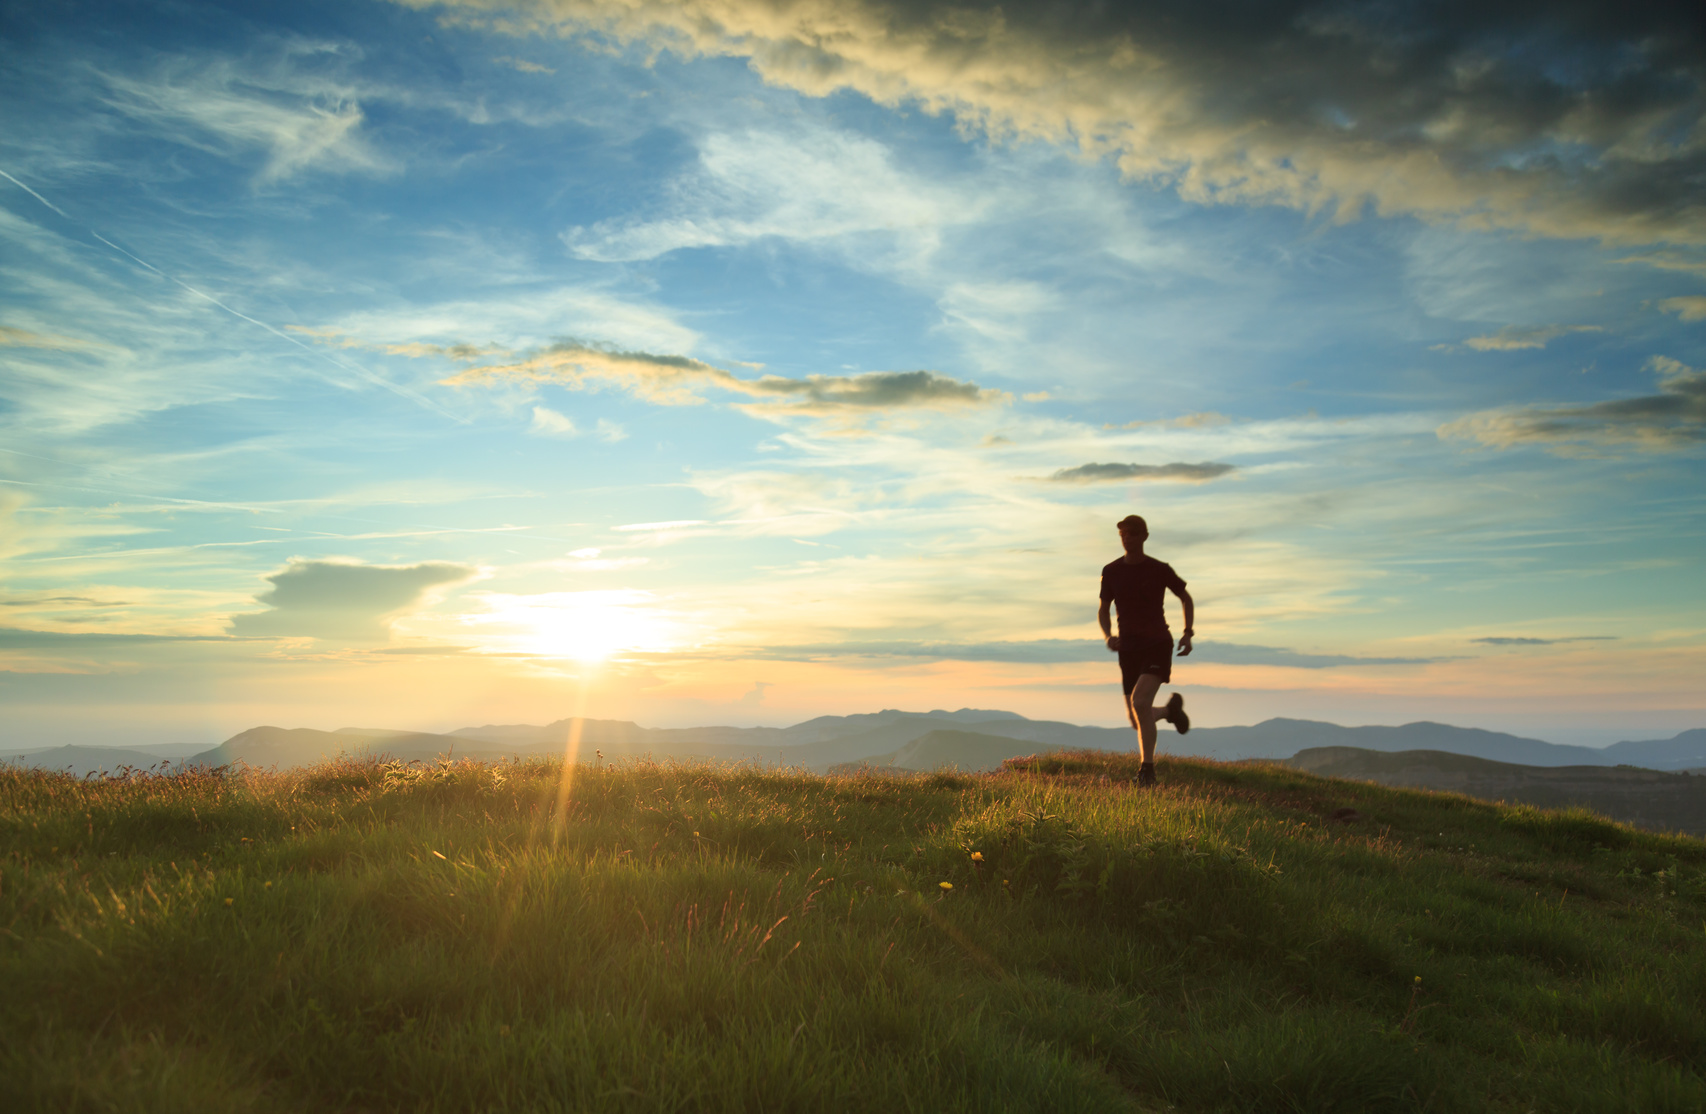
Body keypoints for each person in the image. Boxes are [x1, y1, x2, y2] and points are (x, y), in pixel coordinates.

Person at [1097, 514, 1193, 787]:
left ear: (1145, 536)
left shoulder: (1159, 569)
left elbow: (1185, 597)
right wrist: (1108, 636)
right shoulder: (1112, 570)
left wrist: (1188, 633)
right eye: (1123, 534)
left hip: (1157, 644)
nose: (1128, 538)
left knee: (1140, 703)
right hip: (1128, 649)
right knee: (1136, 719)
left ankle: (1147, 771)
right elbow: (1103, 609)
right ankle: (1169, 712)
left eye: (1133, 533)